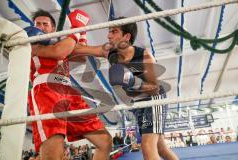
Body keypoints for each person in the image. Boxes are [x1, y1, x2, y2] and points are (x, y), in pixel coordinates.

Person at [72, 16, 178, 160]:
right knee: (160, 147)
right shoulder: (109, 51)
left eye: (114, 31)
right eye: (109, 31)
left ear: (126, 37)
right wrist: (79, 31)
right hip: (136, 103)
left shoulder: (144, 55)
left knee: (147, 146)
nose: (108, 35)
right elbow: (80, 49)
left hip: (154, 99)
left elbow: (154, 87)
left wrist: (132, 81)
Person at [26, 9, 112, 160]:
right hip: (46, 90)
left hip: (68, 91)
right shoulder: (31, 43)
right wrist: (76, 28)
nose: (40, 27)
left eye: (45, 24)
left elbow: (81, 57)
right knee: (54, 154)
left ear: (53, 29)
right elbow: (58, 52)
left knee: (105, 141)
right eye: (37, 24)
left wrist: (83, 34)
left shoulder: (63, 43)